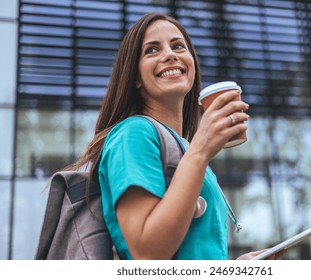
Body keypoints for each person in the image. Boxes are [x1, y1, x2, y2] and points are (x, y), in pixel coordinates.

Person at [71, 12, 284, 260]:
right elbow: (147, 254)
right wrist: (201, 149)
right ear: (135, 77)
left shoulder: (186, 150)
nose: (170, 54)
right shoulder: (133, 134)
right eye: (152, 50)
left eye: (178, 46)